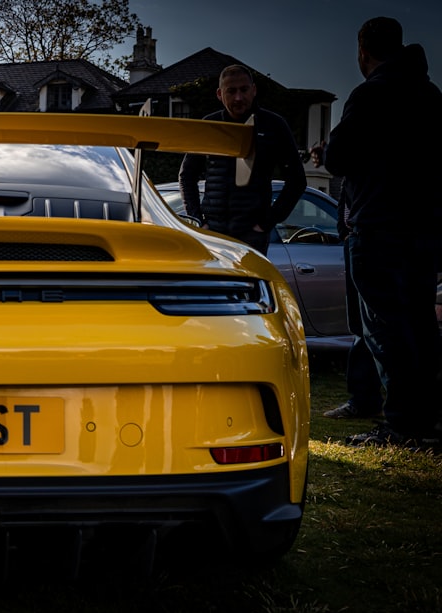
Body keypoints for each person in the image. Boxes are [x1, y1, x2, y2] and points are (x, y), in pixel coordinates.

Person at [324, 17, 442, 449]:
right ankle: (429, 419)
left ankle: (402, 424)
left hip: (377, 227)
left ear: (363, 51)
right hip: (426, 228)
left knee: (385, 328)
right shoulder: (431, 95)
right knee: (420, 325)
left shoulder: (370, 94)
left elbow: (337, 157)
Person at [178, 64, 307, 255]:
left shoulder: (273, 125)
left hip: (252, 234)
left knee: (249, 285)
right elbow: (187, 176)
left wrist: (266, 222)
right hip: (212, 232)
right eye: (231, 91)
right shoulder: (209, 126)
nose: (239, 97)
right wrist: (199, 221)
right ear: (220, 94)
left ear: (254, 90)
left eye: (244, 90)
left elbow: (297, 180)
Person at [323, 178, 384, 419]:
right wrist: (345, 233)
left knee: (376, 327)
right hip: (356, 237)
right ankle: (364, 400)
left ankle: (396, 410)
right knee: (361, 326)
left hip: (370, 237)